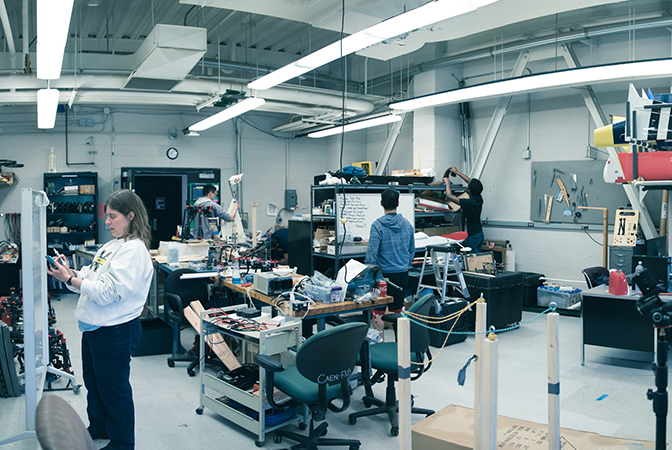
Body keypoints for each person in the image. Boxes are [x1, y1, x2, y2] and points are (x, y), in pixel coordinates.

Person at [47, 189, 154, 450]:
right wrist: (70, 272)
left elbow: (108, 292)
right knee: (95, 385)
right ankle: (100, 426)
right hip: (96, 327)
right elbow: (93, 275)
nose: (107, 222)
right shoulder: (113, 245)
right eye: (106, 216)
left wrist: (70, 281)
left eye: (113, 217)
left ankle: (121, 442)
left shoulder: (133, 251)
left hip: (115, 330)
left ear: (131, 216)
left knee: (113, 389)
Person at [365, 188, 415, 319]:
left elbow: (371, 255)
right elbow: (411, 250)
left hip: (383, 276)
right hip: (402, 274)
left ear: (381, 203)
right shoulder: (407, 225)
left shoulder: (377, 226)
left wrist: (370, 273)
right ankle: (400, 339)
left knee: (377, 312)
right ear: (398, 203)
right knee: (398, 311)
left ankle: (380, 339)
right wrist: (404, 265)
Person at [443, 166, 484, 252]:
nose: (467, 184)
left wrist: (447, 183)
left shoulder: (469, 203)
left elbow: (449, 196)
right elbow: (470, 181)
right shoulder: (479, 199)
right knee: (477, 260)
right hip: (479, 234)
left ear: (469, 190)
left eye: (468, 185)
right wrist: (457, 172)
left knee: (471, 260)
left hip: (472, 236)